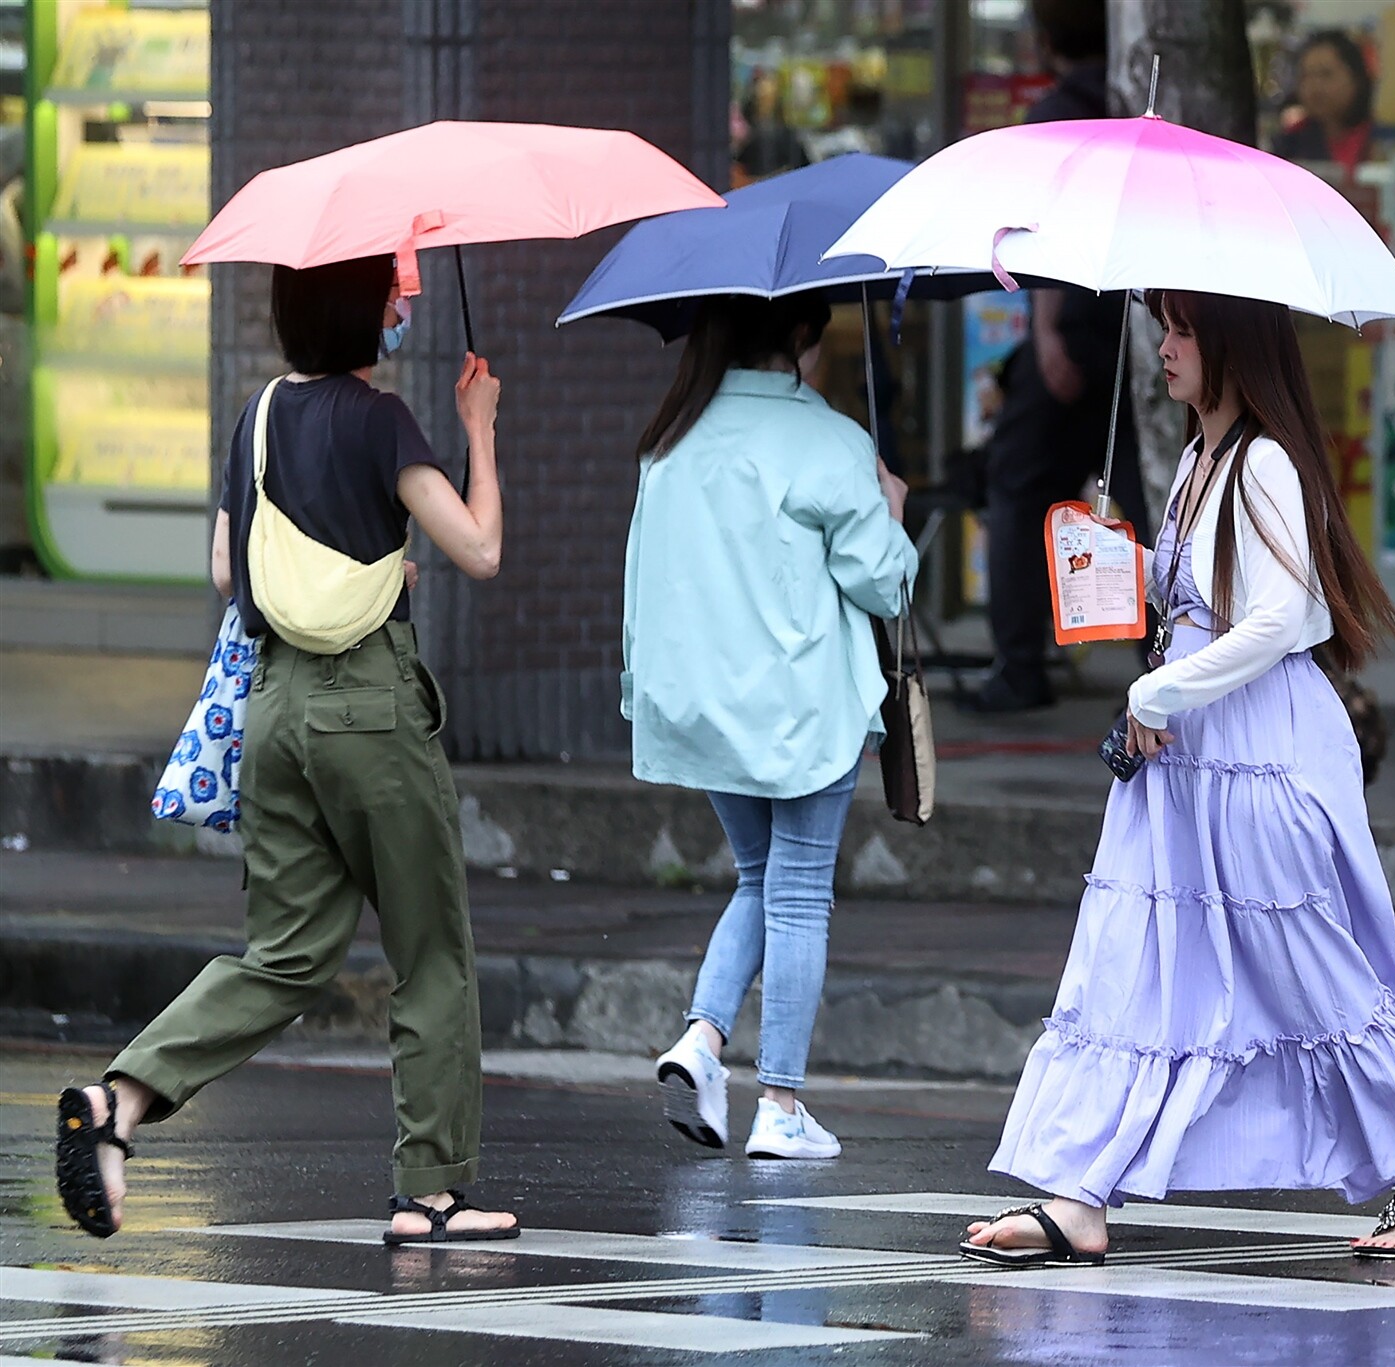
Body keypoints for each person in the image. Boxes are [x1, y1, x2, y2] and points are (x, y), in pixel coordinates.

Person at [960, 288, 1395, 1266]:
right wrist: (1120, 558)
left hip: (1257, 758)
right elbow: (1198, 604)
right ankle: (1077, 1191)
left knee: (1305, 971)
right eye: (1164, 325)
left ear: (1232, 344)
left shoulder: (1266, 463)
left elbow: (1277, 621)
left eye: (1184, 329)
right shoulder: (1197, 459)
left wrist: (1155, 693)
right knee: (1127, 963)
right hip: (1188, 762)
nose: (1164, 347)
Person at [53, 254, 520, 1245]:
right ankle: (430, 1192)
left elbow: (231, 570)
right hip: (371, 709)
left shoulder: (256, 416)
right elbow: (479, 548)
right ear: (358, 306)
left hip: (274, 712)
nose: (402, 307)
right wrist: (477, 430)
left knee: (286, 954)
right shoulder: (381, 418)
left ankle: (119, 1101)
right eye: (392, 293)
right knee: (431, 951)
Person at [623, 292, 917, 1161]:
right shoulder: (829, 440)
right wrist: (893, 508)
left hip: (705, 706)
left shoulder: (670, 442)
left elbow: (643, 578)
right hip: (803, 709)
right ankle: (781, 1101)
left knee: (759, 878)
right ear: (798, 338)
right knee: (795, 893)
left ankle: (703, 1038)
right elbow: (884, 585)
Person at [965, 0, 1151, 714]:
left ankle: (1019, 667)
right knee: (1149, 503)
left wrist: (1045, 334)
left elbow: (1035, 238)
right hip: (1146, 338)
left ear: (1045, 40)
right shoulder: (1144, 104)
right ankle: (1156, 670)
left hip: (1075, 334)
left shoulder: (1054, 119)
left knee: (1016, 488)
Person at [1274, 30, 1375, 180]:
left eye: (1325, 74)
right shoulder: (1290, 143)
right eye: (1306, 76)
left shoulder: (1381, 137)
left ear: (1356, 78)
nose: (1314, 86)